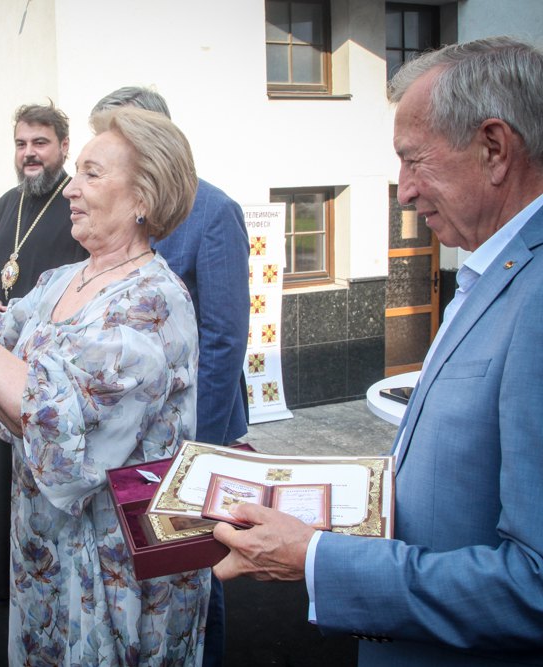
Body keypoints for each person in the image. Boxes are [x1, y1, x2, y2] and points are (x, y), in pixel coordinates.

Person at [212, 36, 543, 666]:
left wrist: (318, 559)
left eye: (414, 161)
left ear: (494, 149)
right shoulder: (498, 268)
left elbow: (534, 586)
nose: (404, 192)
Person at [0, 106, 211, 664]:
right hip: (48, 552)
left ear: (144, 198)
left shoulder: (152, 305)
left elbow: (42, 409)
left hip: (114, 578)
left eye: (92, 174)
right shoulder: (64, 279)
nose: (71, 189)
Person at [91, 86, 250, 667]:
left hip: (194, 436)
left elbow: (226, 338)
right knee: (143, 569)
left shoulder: (214, 212)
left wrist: (193, 452)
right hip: (130, 439)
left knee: (195, 568)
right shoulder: (115, 210)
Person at [0, 102, 87, 604]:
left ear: (62, 147)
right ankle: (7, 579)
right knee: (5, 474)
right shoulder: (3, 207)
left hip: (50, 376)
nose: (29, 154)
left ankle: (48, 583)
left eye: (40, 143)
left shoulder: (78, 205)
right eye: (21, 144)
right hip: (2, 368)